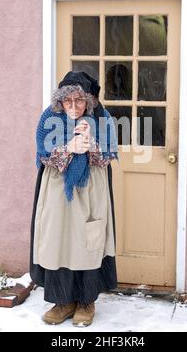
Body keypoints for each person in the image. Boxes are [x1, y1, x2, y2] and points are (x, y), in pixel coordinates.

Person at [29, 71, 119, 326]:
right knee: (60, 240)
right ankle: (63, 301)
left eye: (79, 101)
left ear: (88, 100)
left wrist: (91, 145)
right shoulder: (50, 117)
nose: (73, 106)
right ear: (60, 101)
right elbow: (43, 155)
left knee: (88, 241)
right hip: (58, 190)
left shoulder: (102, 119)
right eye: (68, 101)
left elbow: (109, 156)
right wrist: (68, 148)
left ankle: (86, 302)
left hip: (91, 189)